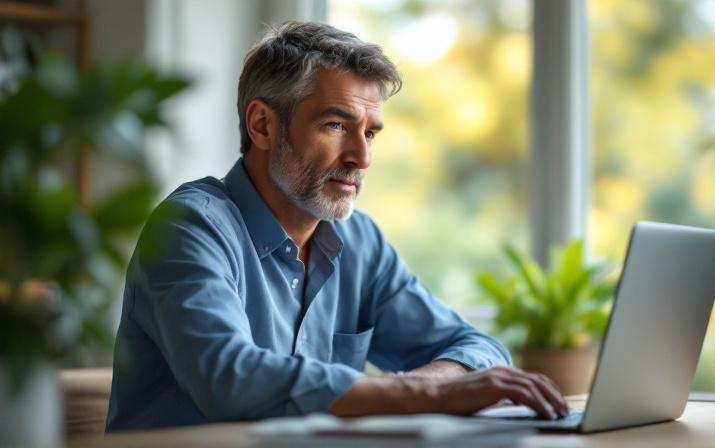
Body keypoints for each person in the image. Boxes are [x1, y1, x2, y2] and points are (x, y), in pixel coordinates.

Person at [105, 21, 568, 432]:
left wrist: (422, 386)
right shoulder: (190, 227)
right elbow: (231, 379)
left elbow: (475, 346)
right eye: (335, 125)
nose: (361, 158)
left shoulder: (359, 241)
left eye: (369, 133)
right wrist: (430, 395)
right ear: (263, 126)